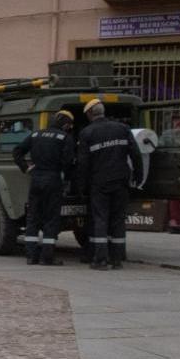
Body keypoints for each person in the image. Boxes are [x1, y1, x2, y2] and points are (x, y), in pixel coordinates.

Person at [77, 98, 142, 271]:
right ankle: (117, 259)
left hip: (99, 183)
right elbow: (136, 154)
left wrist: (81, 187)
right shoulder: (122, 128)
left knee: (100, 218)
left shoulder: (87, 133)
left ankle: (100, 260)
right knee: (118, 219)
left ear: (90, 114)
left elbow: (83, 165)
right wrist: (139, 175)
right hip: (121, 181)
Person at [13, 110, 75, 265]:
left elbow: (17, 151)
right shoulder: (65, 138)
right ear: (65, 124)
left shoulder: (36, 135)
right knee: (51, 218)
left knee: (33, 217)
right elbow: (68, 162)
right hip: (53, 181)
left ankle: (30, 256)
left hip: (36, 179)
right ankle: (47, 257)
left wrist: (26, 168)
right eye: (69, 125)